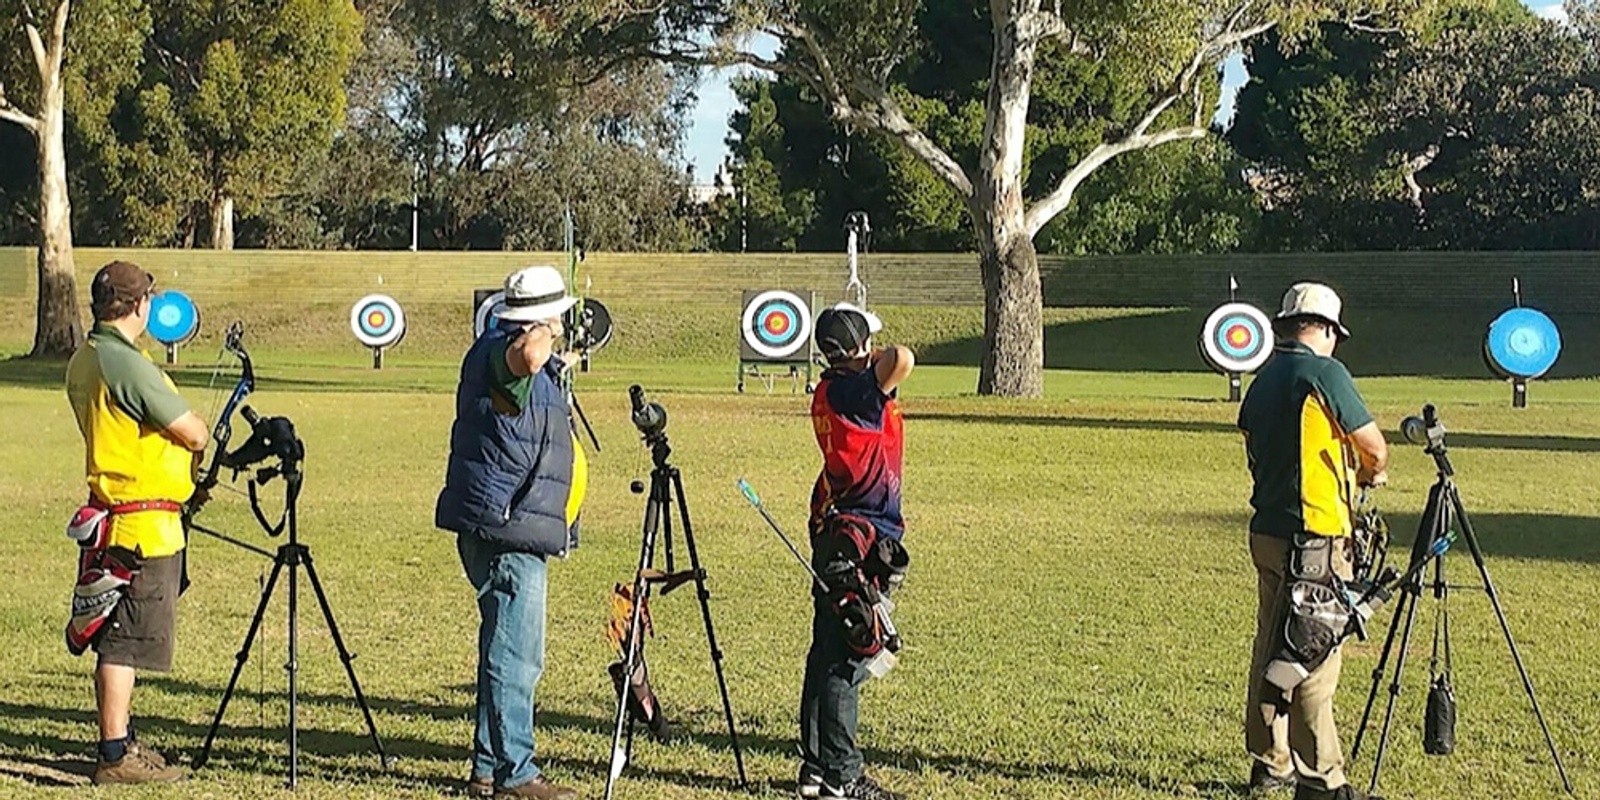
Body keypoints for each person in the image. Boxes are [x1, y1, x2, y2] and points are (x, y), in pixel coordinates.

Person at [435, 265, 588, 800]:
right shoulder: (509, 353)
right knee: (517, 656)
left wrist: (557, 361)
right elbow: (523, 359)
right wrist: (542, 332)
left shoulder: (504, 359)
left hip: (504, 518)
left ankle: (486, 764)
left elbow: (524, 380)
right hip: (508, 527)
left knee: (501, 645)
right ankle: (515, 775)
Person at [1237, 283, 1389, 800]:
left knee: (1271, 647)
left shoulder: (1261, 382)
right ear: (1324, 330)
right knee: (1312, 658)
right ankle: (1322, 781)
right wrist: (1369, 474)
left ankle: (1270, 760)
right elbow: (1373, 446)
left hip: (1268, 533)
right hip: (1316, 538)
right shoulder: (1324, 373)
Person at [65, 260, 209, 785]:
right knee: (122, 640)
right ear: (140, 306)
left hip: (116, 515)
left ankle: (120, 739)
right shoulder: (126, 364)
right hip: (139, 524)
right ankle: (114, 754)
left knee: (118, 634)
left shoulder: (89, 356)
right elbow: (192, 431)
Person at [796, 302, 914, 800]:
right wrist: (870, 357)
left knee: (827, 652)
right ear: (857, 349)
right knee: (847, 657)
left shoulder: (831, 390)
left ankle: (817, 768)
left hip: (840, 529)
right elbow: (903, 358)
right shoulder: (854, 392)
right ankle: (842, 777)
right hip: (859, 536)